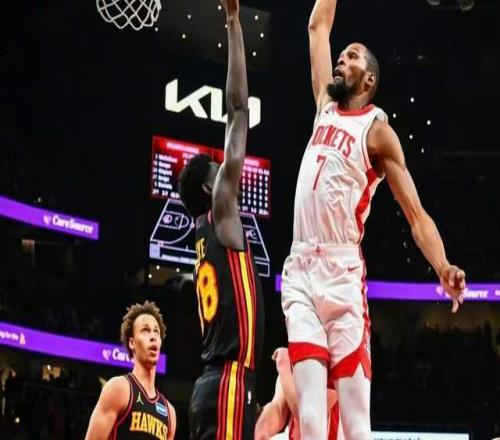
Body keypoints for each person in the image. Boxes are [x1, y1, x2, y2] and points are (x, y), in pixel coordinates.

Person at [281, 0, 467, 438]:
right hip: (301, 269)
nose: (340, 60)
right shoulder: (324, 108)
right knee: (310, 417)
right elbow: (317, 25)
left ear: (369, 79)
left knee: (356, 425)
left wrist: (442, 266)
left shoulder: (378, 133)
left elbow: (416, 215)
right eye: (341, 55)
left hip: (342, 275)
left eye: (351, 56)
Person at [178, 0, 264, 438]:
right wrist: (233, 21)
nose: (228, 170)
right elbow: (238, 111)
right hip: (228, 380)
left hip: (213, 384)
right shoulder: (221, 210)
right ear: (211, 189)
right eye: (219, 169)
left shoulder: (200, 234)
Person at [85, 301, 176, 440]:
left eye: (156, 331)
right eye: (145, 330)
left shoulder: (170, 413)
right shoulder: (118, 388)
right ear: (132, 343)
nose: (153, 336)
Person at [255, 348, 342, 440]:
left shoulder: (336, 361)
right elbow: (278, 408)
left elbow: (308, 415)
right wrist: (263, 428)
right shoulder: (292, 360)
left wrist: (284, 368)